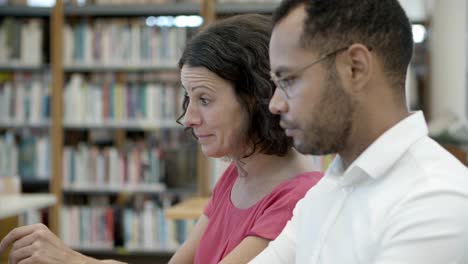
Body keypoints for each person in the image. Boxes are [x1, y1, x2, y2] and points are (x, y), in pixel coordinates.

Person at [0, 14, 322, 264]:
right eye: (188, 99)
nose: (188, 119)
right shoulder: (238, 174)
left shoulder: (298, 198)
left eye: (205, 99)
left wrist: (72, 259)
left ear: (257, 97)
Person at [249, 0, 468, 263]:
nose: (275, 104)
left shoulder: (436, 200)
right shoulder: (331, 186)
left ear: (355, 67)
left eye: (288, 80)